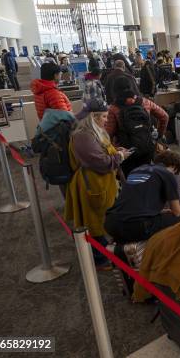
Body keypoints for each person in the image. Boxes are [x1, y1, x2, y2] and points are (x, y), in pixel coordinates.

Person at [65, 99, 131, 269]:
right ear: (92, 118)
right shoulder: (83, 136)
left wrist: (116, 152)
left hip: (101, 184)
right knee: (94, 223)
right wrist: (120, 157)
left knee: (101, 219)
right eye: (103, 116)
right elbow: (100, 162)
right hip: (92, 185)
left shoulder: (93, 133)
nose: (106, 120)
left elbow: (101, 153)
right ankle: (99, 260)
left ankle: (102, 255)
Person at [105, 150, 180, 244]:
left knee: (160, 219)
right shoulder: (167, 174)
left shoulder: (136, 170)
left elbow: (135, 201)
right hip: (135, 225)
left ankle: (123, 248)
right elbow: (176, 211)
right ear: (174, 167)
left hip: (111, 222)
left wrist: (159, 211)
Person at [106, 80, 169, 176]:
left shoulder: (113, 108)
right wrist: (159, 134)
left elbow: (108, 133)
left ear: (114, 91)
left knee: (132, 180)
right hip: (147, 146)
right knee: (147, 176)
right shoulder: (144, 102)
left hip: (126, 151)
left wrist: (113, 149)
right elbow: (164, 116)